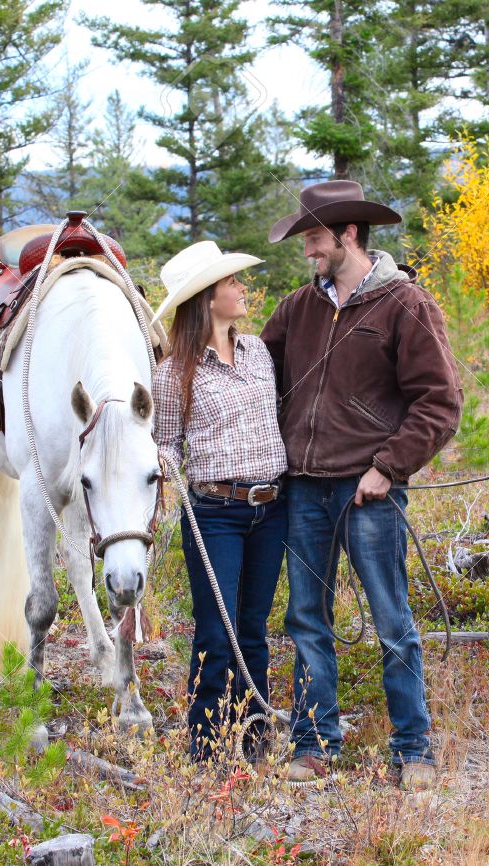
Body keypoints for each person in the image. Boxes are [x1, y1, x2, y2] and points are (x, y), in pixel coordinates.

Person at [260, 180, 463, 791]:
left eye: (315, 239)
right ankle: (315, 743)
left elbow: (441, 402)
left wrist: (388, 467)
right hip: (302, 491)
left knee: (392, 619)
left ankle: (414, 749)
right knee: (306, 621)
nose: (307, 252)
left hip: (369, 491)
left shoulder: (406, 304)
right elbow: (254, 375)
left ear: (349, 234)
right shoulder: (297, 309)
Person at [152, 240, 288, 763]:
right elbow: (166, 440)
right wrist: (163, 465)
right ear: (208, 298)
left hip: (270, 507)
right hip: (215, 513)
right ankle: (205, 745)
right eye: (231, 282)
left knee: (253, 628)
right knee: (216, 629)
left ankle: (253, 739)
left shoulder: (258, 352)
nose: (240, 288)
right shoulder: (174, 372)